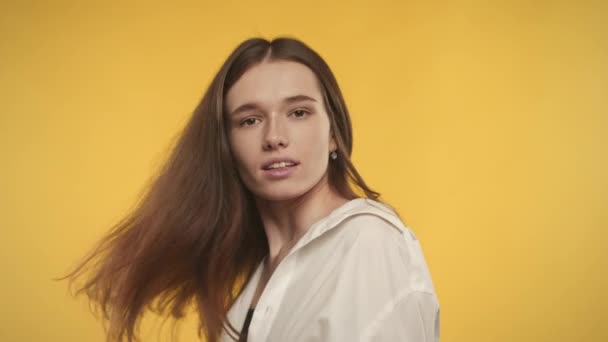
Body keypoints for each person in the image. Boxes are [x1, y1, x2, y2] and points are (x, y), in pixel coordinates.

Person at [62, 37, 440, 342]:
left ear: (334, 135)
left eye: (298, 113)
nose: (274, 137)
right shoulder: (262, 275)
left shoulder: (366, 242)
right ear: (226, 145)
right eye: (250, 120)